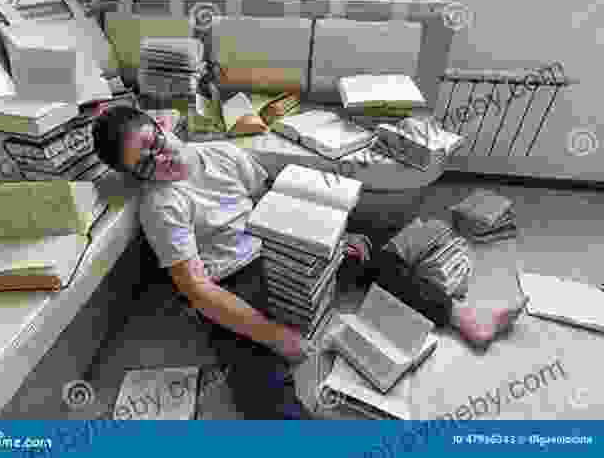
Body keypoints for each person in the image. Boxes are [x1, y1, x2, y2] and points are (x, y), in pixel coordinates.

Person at [91, 105, 526, 418]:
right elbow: (197, 290)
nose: (159, 160)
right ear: (137, 176)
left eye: (154, 143)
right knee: (247, 361)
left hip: (281, 243)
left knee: (375, 249)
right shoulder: (161, 205)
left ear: (162, 123)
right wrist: (275, 335)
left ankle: (466, 319)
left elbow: (275, 200)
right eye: (144, 164)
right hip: (235, 277)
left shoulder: (222, 153)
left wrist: (332, 234)